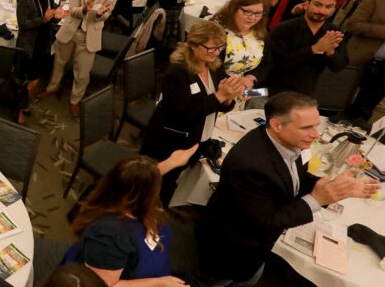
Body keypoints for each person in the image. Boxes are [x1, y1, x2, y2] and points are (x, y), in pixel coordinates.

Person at [192, 92, 380, 287]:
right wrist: (316, 199)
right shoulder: (250, 165)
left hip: (255, 252)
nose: (316, 134)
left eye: (316, 125)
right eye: (307, 127)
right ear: (277, 125)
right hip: (228, 252)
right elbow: (266, 222)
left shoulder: (286, 142)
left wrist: (328, 187)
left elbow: (293, 178)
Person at [141, 21, 244, 202]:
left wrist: (229, 97)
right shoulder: (177, 72)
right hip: (169, 141)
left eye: (220, 47)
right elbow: (185, 113)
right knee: (153, 183)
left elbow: (221, 104)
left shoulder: (214, 66)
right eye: (210, 48)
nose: (216, 52)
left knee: (171, 180)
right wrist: (221, 95)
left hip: (197, 138)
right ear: (193, 44)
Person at [63, 153, 200, 285]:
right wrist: (159, 283)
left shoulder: (130, 195)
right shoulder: (109, 236)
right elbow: (103, 285)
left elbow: (141, 178)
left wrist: (172, 162)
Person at [42, 0, 121, 117]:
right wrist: (85, 10)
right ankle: (52, 88)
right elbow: (71, 8)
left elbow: (109, 11)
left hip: (91, 33)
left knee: (83, 72)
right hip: (71, 28)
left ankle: (75, 101)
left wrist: (100, 14)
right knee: (59, 63)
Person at [266, 0, 348, 95]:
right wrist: (314, 49)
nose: (322, 11)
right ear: (306, 4)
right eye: (317, 5)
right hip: (269, 90)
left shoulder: (334, 32)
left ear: (334, 9)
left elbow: (339, 67)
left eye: (328, 7)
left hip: (304, 94)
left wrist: (330, 52)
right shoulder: (284, 28)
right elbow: (276, 63)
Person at [16, 0, 61, 123]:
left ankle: (24, 103)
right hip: (29, 43)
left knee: (36, 78)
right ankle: (19, 108)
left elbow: (54, 17)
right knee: (28, 80)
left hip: (45, 42)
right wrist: (44, 19)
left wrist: (56, 17)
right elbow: (23, 24)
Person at [211, 0, 272, 95]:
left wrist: (251, 78)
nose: (252, 18)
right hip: (217, 89)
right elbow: (210, 67)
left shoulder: (260, 32)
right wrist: (237, 86)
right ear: (234, 8)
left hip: (243, 92)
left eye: (258, 13)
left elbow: (267, 62)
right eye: (247, 11)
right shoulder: (217, 30)